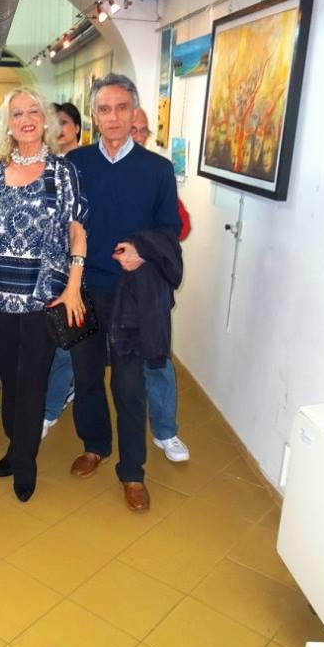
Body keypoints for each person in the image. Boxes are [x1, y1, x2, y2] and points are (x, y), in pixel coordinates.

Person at [0, 87, 87, 503]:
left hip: (43, 295)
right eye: (17, 114)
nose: (26, 119)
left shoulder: (61, 172)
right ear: (6, 125)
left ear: (45, 120)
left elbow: (77, 230)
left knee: (31, 379)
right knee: (10, 380)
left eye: (33, 112)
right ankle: (16, 445)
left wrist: (73, 286)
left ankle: (25, 462)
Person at [65, 73, 182, 512]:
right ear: (94, 115)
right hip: (83, 291)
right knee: (86, 377)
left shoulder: (157, 170)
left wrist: (142, 249)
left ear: (134, 113)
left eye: (121, 108)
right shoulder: (76, 163)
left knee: (130, 386)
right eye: (104, 109)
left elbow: (169, 228)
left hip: (132, 296)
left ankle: (132, 471)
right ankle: (95, 445)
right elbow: (63, 224)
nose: (113, 117)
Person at [131, 107, 191, 463]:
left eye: (143, 131)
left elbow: (181, 225)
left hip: (149, 284)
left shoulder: (157, 172)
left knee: (156, 358)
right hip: (103, 281)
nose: (137, 136)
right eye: (132, 129)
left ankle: (165, 431)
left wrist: (146, 245)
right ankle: (51, 409)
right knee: (72, 349)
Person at [43, 102, 83, 439]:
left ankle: (50, 409)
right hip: (47, 271)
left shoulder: (85, 166)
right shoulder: (44, 165)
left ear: (78, 127)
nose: (58, 129)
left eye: (64, 122)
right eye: (52, 123)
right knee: (55, 342)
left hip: (78, 268)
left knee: (65, 344)